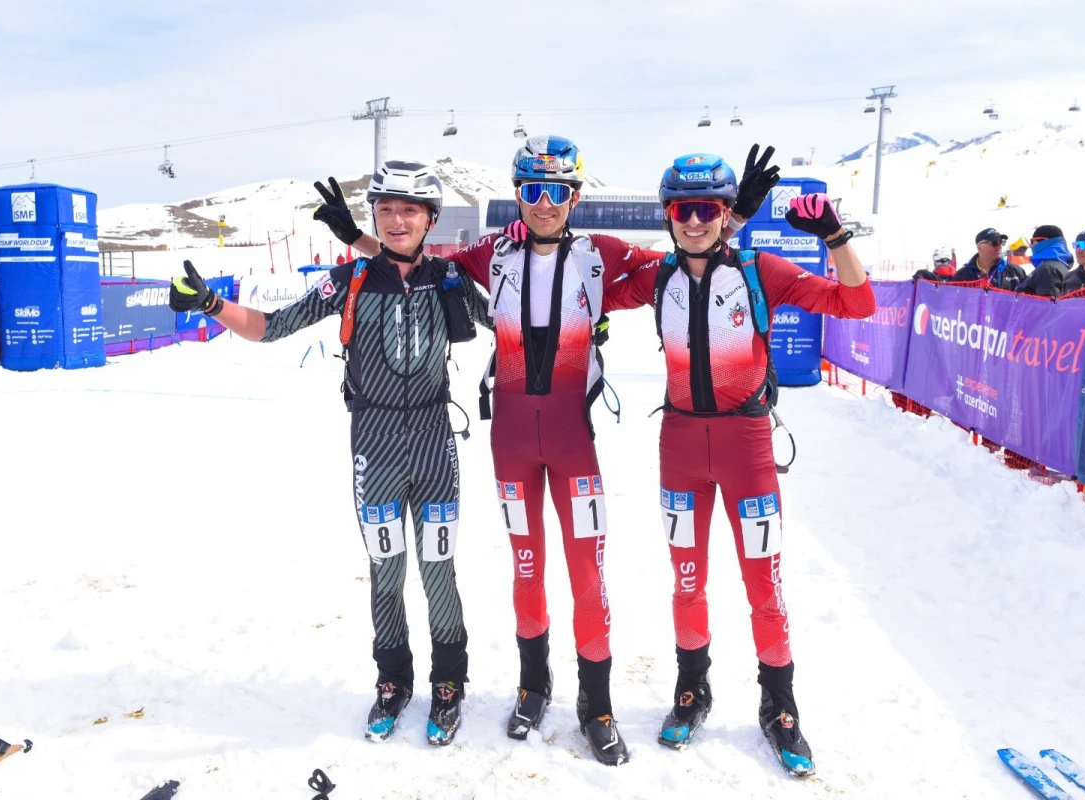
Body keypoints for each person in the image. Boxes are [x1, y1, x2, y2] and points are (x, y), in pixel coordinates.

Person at [324, 136, 781, 766]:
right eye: (533, 191)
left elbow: (688, 256)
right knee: (527, 568)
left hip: (573, 444)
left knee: (587, 574)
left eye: (557, 192)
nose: (544, 204)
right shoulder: (493, 253)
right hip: (511, 439)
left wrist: (736, 219)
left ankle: (597, 705)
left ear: (574, 196)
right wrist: (358, 237)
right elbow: (411, 260)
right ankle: (533, 688)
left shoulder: (603, 254)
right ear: (518, 193)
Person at [171, 161, 490, 747]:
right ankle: (392, 683)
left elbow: (515, 325)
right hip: (374, 446)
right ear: (375, 216)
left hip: (434, 445)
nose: (397, 220)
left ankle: (449, 685)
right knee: (386, 573)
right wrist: (212, 304)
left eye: (410, 210)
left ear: (430, 219)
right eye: (386, 210)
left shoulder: (450, 279)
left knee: (439, 571)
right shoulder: (350, 280)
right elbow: (270, 326)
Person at [603, 154, 875, 776]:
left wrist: (834, 235)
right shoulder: (661, 273)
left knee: (764, 582)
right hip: (679, 445)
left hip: (746, 446)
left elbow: (856, 304)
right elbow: (588, 288)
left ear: (726, 214)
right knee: (687, 578)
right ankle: (692, 689)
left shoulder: (762, 268)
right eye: (682, 210)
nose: (693, 221)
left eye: (707, 210)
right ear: (668, 216)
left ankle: (780, 705)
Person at [950, 228, 1026, 289]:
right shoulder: (962, 275)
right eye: (995, 242)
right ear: (980, 247)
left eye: (1001, 242)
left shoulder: (1015, 271)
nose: (1000, 246)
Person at [1015, 224, 1071, 297]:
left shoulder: (1047, 269)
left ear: (1044, 242)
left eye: (1032, 241)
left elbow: (1046, 305)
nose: (1030, 246)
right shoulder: (1059, 265)